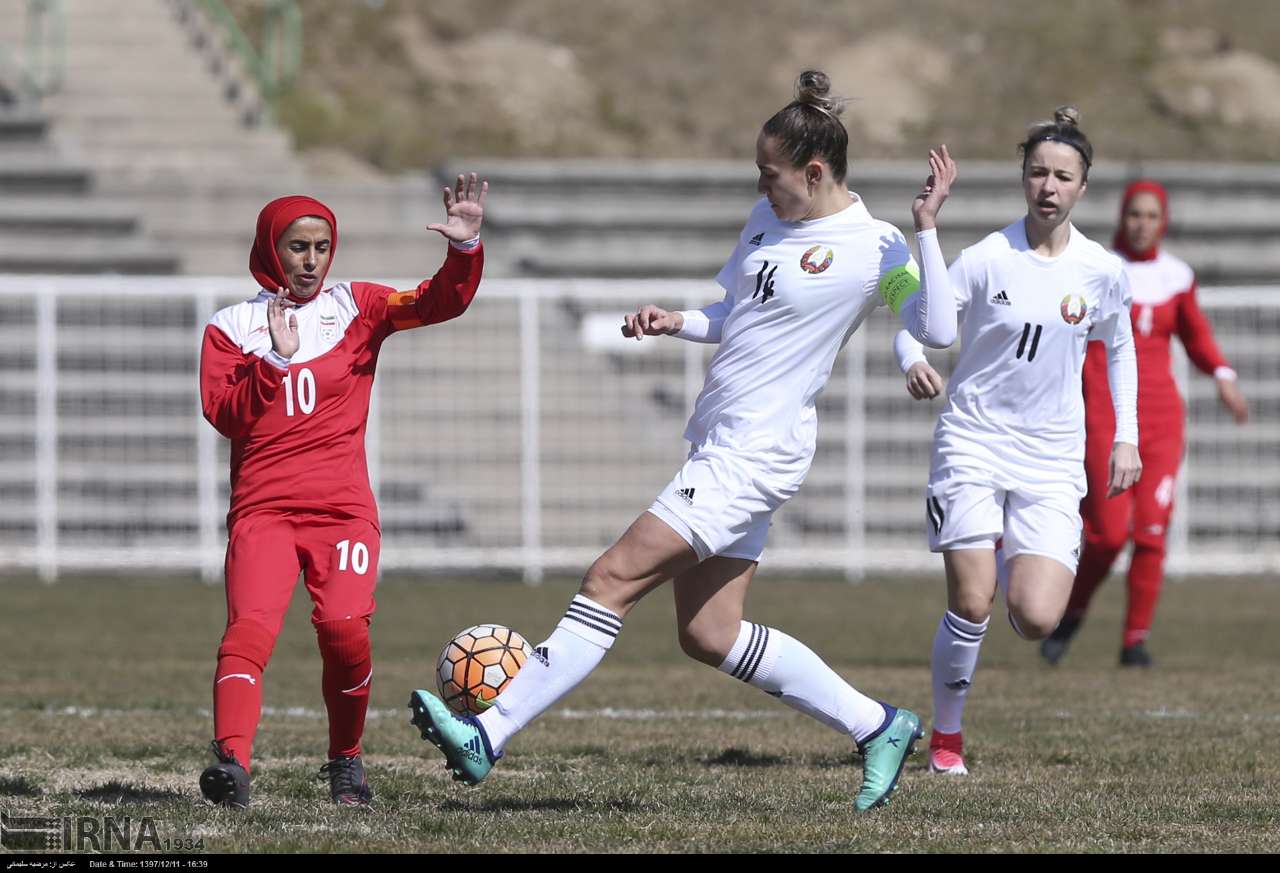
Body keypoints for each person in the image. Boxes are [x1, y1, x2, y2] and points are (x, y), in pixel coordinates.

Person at [409, 70, 958, 812]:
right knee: (709, 632)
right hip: (720, 444)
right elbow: (731, 310)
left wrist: (926, 227)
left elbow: (937, 328)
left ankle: (490, 732)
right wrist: (676, 320)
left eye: (772, 175)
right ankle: (879, 724)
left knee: (610, 577)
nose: (762, 187)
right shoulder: (765, 224)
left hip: (754, 455)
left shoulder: (875, 247)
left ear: (815, 172)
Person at [197, 175, 488, 807]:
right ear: (270, 249)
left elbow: (439, 301)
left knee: (344, 630)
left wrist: (463, 251)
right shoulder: (230, 328)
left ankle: (346, 761)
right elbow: (225, 414)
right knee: (249, 630)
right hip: (263, 513)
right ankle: (232, 764)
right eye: (297, 246)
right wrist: (274, 362)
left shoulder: (357, 305)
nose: (310, 260)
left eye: (321, 247)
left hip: (341, 513)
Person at [892, 107, 1140, 776]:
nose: (1048, 186)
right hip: (972, 440)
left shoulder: (1101, 270)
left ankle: (1011, 560)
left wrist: (1126, 438)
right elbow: (921, 317)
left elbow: (1120, 348)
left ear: (1083, 187)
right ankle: (947, 738)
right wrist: (909, 353)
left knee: (1035, 617)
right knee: (971, 602)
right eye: (1038, 173)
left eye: (1063, 176)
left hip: (1052, 456)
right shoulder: (986, 257)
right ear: (1022, 180)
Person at [1039, 179, 1248, 668]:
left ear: (1164, 221)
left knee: (1152, 533)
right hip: (1106, 416)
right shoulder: (1094, 268)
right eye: (1135, 213)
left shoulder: (1177, 276)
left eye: (1153, 216)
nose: (1143, 224)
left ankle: (1135, 642)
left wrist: (1222, 375)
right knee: (1108, 535)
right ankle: (1072, 614)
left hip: (1162, 420)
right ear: (1122, 216)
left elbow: (1196, 336)